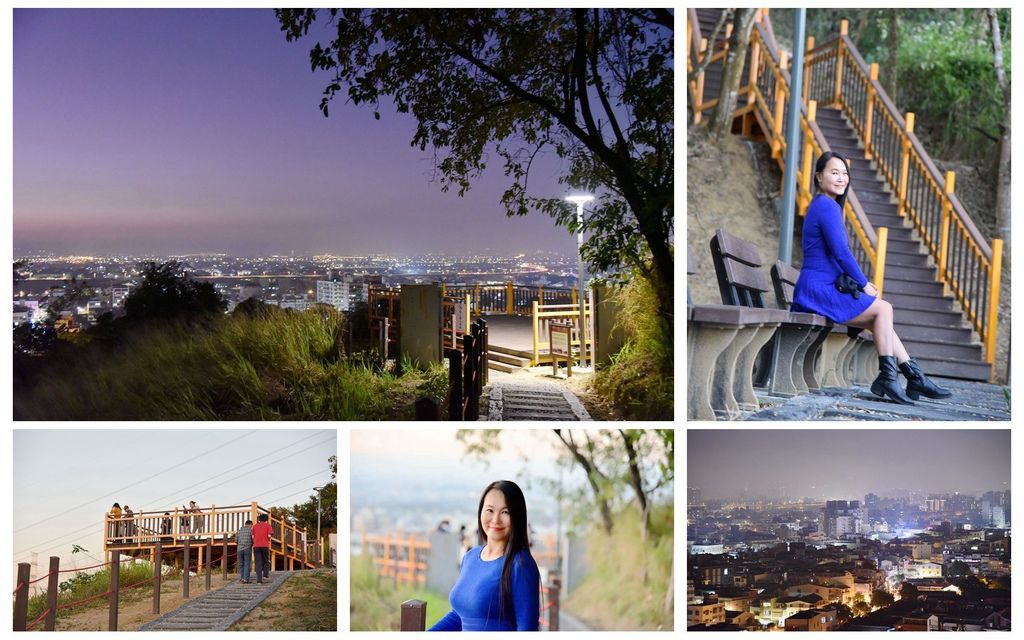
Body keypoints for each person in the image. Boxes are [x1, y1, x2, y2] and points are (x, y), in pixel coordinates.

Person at [790, 151, 952, 405]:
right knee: (883, 310)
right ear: (819, 177)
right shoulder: (825, 206)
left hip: (819, 287)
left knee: (880, 316)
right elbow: (841, 253)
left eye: (845, 173)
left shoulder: (826, 206)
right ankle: (891, 378)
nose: (841, 178)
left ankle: (912, 375)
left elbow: (836, 255)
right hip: (816, 290)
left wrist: (859, 283)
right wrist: (863, 283)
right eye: (834, 172)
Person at [429, 480, 540, 631]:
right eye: (490, 510)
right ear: (481, 511)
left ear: (517, 517)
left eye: (505, 512)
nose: (495, 520)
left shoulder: (520, 564)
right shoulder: (471, 557)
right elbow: (459, 616)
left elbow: (527, 628)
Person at [251, 513, 273, 584]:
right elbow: (269, 535)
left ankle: (259, 580)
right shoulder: (268, 526)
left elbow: (253, 537)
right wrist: (268, 540)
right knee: (266, 561)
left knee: (258, 562)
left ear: (259, 519)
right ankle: (265, 575)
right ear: (266, 519)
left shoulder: (254, 526)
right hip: (265, 545)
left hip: (256, 546)